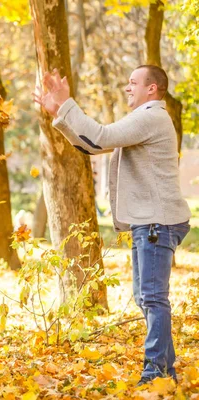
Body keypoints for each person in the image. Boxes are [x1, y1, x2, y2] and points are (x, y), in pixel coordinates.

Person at [35, 65, 191, 385]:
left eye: (133, 82)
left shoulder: (150, 116)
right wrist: (59, 112)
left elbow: (101, 135)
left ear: (153, 89)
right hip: (150, 223)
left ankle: (157, 373)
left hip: (156, 223)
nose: (127, 88)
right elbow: (91, 145)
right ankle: (164, 370)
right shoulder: (146, 118)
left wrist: (67, 104)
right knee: (146, 296)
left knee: (152, 297)